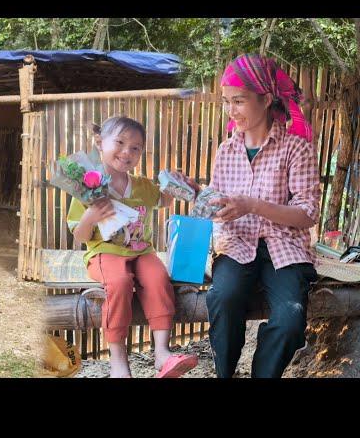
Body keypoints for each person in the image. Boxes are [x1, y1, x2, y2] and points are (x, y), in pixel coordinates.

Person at [185, 53, 321, 378]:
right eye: (227, 102)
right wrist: (198, 194)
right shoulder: (226, 151)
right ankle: (225, 373)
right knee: (223, 297)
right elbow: (219, 203)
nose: (231, 111)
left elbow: (307, 214)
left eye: (239, 101)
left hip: (285, 249)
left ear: (266, 99)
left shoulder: (296, 149)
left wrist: (252, 205)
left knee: (290, 319)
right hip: (237, 244)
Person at [67, 116, 198, 378]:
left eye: (135, 148)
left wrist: (177, 185)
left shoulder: (142, 186)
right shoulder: (89, 187)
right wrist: (90, 216)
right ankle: (118, 362)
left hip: (142, 251)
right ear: (100, 143)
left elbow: (164, 200)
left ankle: (162, 354)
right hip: (104, 252)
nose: (127, 151)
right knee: (119, 283)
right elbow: (80, 236)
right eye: (120, 142)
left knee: (159, 278)